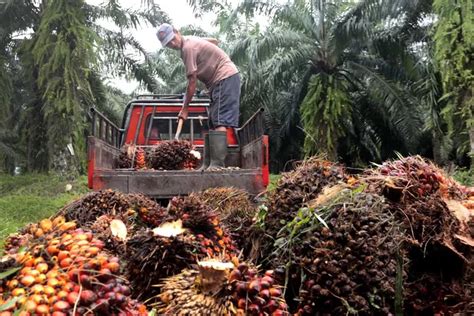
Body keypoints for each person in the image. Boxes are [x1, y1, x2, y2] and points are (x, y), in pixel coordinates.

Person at [156, 23, 241, 170]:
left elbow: (192, 82)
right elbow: (214, 41)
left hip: (225, 77)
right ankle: (208, 163)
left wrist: (185, 109)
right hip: (217, 83)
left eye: (172, 39)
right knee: (212, 122)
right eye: (167, 43)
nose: (172, 44)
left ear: (177, 31)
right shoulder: (191, 41)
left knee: (220, 121)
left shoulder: (188, 48)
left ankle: (217, 165)